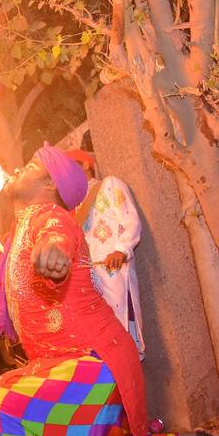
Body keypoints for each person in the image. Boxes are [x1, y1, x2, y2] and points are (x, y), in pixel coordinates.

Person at [0, 144, 213, 436]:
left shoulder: (51, 217)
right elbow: (4, 281)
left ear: (49, 186)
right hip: (58, 364)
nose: (19, 168)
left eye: (31, 164)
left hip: (92, 360)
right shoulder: (17, 232)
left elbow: (57, 239)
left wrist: (55, 256)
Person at [67, 150, 146, 357]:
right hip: (93, 286)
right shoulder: (73, 210)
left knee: (123, 338)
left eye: (71, 165)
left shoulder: (109, 185)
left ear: (85, 164)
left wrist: (121, 250)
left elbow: (131, 221)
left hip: (116, 276)